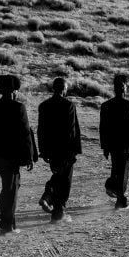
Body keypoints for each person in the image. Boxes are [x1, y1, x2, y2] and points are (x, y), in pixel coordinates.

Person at [0, 74, 37, 235]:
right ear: (14, 91)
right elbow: (25, 134)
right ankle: (7, 225)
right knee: (11, 189)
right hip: (12, 156)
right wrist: (29, 157)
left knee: (11, 185)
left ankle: (2, 207)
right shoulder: (18, 108)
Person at [37, 77, 82, 223]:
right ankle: (57, 209)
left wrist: (43, 150)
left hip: (51, 150)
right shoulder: (68, 105)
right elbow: (72, 131)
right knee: (65, 180)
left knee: (58, 174)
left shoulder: (44, 106)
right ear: (64, 89)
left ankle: (53, 204)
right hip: (65, 149)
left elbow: (41, 130)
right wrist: (74, 150)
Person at [99, 74, 129, 209]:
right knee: (123, 171)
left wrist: (105, 147)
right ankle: (120, 198)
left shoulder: (106, 105)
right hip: (123, 144)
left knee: (116, 168)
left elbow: (103, 128)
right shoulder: (128, 105)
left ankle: (114, 189)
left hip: (112, 144)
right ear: (124, 89)